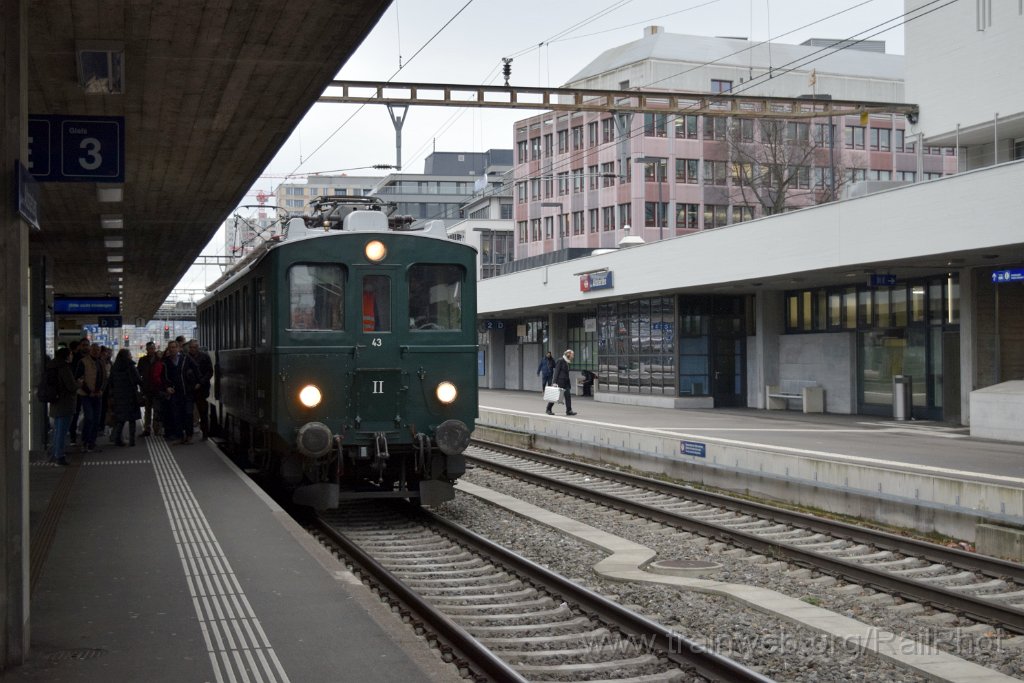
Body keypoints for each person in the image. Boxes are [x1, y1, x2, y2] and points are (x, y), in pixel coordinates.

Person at [47, 347, 79, 466]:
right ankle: (59, 456)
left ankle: (55, 454)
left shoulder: (52, 366)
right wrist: (78, 383)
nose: (72, 356)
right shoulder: (64, 368)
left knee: (57, 430)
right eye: (70, 354)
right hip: (65, 403)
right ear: (66, 356)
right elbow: (71, 386)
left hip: (55, 401)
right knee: (62, 431)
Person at [108, 349, 142, 447]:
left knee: (120, 419)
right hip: (131, 395)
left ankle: (117, 439)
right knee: (132, 419)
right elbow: (138, 379)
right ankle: (132, 441)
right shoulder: (130, 366)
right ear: (127, 356)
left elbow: (110, 382)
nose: (131, 356)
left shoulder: (115, 367)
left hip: (119, 396)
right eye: (130, 354)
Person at [77, 342, 107, 453]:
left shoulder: (101, 362)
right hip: (86, 395)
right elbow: (79, 378)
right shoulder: (83, 362)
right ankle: (84, 442)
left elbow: (104, 378)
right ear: (90, 350)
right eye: (94, 350)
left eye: (98, 350)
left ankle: (92, 443)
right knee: (89, 418)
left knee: (96, 420)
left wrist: (101, 390)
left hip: (98, 395)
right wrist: (89, 391)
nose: (96, 352)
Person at [187, 339, 213, 440]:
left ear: (198, 347)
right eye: (191, 347)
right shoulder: (186, 357)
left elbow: (210, 372)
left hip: (202, 389)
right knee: (189, 412)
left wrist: (201, 382)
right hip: (189, 388)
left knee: (203, 412)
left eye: (194, 347)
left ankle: (205, 433)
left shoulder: (205, 357)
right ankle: (189, 433)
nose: (192, 349)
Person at [136, 342, 160, 437]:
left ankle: (157, 429)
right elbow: (138, 373)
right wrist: (141, 385)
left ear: (155, 349)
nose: (151, 350)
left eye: (152, 348)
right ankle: (147, 429)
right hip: (146, 389)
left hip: (157, 389)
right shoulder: (142, 360)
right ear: (146, 349)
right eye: (149, 348)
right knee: (147, 410)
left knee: (157, 409)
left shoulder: (159, 359)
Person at [545, 349, 576, 416]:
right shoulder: (560, 361)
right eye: (572, 355)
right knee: (555, 396)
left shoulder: (567, 362)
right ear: (568, 354)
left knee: (568, 396)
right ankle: (548, 409)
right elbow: (556, 371)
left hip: (566, 383)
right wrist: (554, 382)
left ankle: (569, 410)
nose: (573, 356)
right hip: (560, 382)